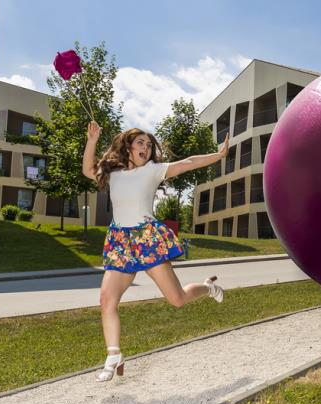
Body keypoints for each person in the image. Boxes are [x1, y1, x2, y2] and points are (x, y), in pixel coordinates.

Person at [82, 121, 228, 382]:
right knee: (106, 300)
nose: (146, 148)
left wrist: (218, 155)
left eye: (149, 145)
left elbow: (188, 163)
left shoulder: (152, 170)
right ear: (128, 146)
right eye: (141, 143)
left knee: (177, 299)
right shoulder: (113, 173)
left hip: (146, 239)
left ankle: (208, 288)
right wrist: (92, 141)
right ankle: (114, 355)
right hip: (120, 242)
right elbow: (87, 170)